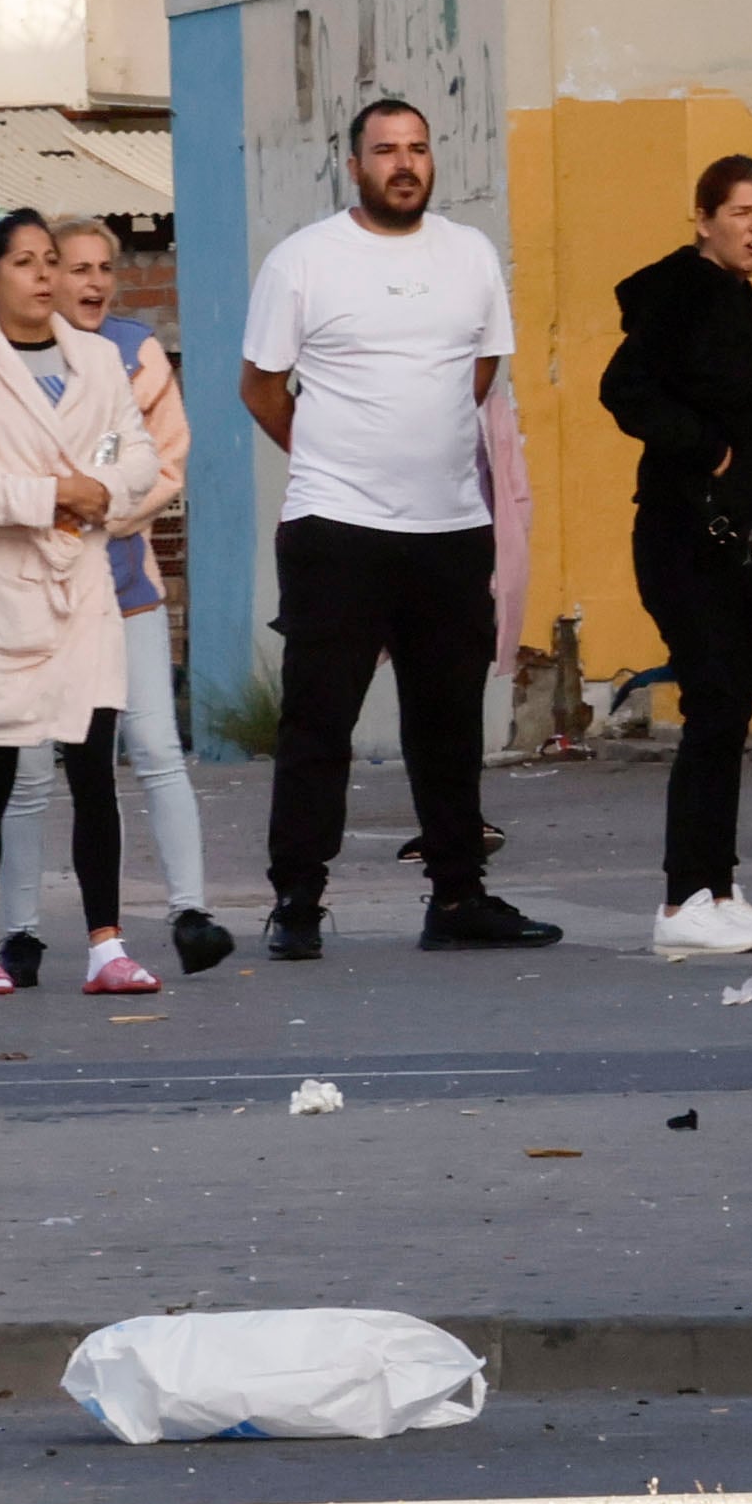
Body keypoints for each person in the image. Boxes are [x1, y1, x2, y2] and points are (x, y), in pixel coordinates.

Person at [243, 101, 557, 958]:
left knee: (448, 723)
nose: (404, 164)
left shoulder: (469, 254)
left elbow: (481, 370)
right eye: (386, 151)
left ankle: (458, 898)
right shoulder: (304, 261)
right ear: (354, 166)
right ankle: (298, 904)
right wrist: (341, 459)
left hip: (452, 527)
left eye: (418, 149)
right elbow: (263, 388)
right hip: (335, 528)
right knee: (319, 724)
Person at [0, 208, 166, 995]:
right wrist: (47, 493)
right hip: (4, 596)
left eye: (50, 261)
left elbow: (138, 453)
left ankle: (107, 945)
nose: (43, 275)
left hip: (84, 590)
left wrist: (103, 490)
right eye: (24, 262)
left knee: (95, 769)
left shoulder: (99, 362)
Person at [0, 220, 224, 987]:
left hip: (127, 596)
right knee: (29, 774)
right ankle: (19, 934)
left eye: (105, 269)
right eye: (76, 268)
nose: (93, 283)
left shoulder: (135, 352)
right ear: (46, 278)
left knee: (156, 750)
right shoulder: (7, 358)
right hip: (35, 601)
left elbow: (167, 462)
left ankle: (191, 915)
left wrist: (104, 513)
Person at [601, 154, 752, 960]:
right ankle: (683, 900)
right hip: (686, 535)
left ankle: (716, 888)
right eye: (741, 211)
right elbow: (624, 389)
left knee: (729, 713)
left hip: (735, 536)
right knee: (713, 706)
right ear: (703, 219)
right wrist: (710, 450)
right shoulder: (683, 288)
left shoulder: (732, 293)